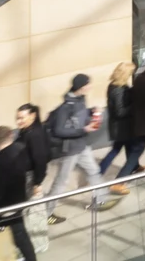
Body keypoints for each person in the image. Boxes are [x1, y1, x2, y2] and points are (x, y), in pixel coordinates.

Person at [45, 74, 108, 213]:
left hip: (81, 145)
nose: (90, 87)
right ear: (81, 87)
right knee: (61, 181)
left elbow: (80, 115)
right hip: (70, 149)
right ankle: (46, 212)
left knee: (93, 171)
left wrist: (92, 111)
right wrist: (83, 129)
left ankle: (101, 200)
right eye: (87, 84)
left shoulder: (80, 100)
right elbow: (59, 130)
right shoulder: (65, 107)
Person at [0, 127, 39, 261]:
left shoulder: (0, 161)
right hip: (20, 198)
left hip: (6, 206)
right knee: (18, 233)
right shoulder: (20, 149)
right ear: (11, 135)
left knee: (17, 234)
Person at [97, 62, 135, 184]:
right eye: (130, 73)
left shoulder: (114, 85)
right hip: (121, 127)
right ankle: (99, 172)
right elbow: (120, 112)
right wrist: (134, 106)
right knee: (117, 150)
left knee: (129, 147)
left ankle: (135, 166)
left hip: (120, 126)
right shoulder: (118, 90)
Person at [12, 104, 50, 197]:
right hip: (24, 174)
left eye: (21, 118)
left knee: (33, 202)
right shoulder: (26, 130)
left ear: (32, 116)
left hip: (30, 176)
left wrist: (37, 183)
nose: (18, 121)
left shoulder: (35, 135)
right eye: (17, 118)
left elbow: (40, 159)